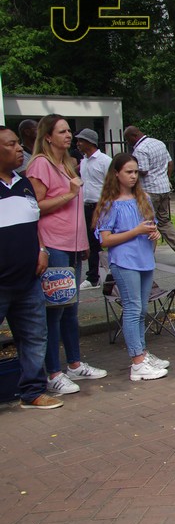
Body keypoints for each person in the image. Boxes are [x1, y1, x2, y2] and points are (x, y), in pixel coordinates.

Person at [26, 114, 107, 396]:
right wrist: (69, 194)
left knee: (71, 308)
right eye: (61, 131)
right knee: (55, 309)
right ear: (48, 136)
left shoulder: (70, 163)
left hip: (72, 243)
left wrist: (83, 241)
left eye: (69, 131)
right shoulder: (40, 164)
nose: (68, 135)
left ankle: (74, 363)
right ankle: (53, 372)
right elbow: (35, 206)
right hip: (53, 243)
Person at [93, 153, 171, 381]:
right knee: (132, 308)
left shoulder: (143, 198)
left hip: (144, 259)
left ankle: (142, 353)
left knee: (141, 309)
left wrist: (154, 234)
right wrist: (135, 231)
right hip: (124, 261)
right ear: (116, 174)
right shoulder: (110, 204)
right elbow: (105, 240)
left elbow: (151, 227)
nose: (133, 176)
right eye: (128, 172)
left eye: (136, 172)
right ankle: (137, 361)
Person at [0, 125, 62, 409]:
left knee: (34, 336)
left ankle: (33, 392)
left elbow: (33, 223)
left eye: (18, 143)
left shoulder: (23, 183)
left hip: (28, 280)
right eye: (11, 144)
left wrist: (41, 249)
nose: (19, 149)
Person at [123, 125, 175, 266]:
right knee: (163, 221)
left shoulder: (140, 149)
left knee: (147, 223)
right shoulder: (158, 143)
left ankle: (147, 256)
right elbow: (170, 164)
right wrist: (165, 179)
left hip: (149, 191)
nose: (128, 143)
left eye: (127, 140)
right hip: (163, 188)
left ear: (133, 136)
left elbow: (143, 170)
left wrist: (130, 171)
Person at [77, 128, 112, 289]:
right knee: (92, 241)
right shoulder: (83, 161)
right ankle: (93, 277)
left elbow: (111, 184)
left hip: (102, 205)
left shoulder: (105, 161)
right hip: (87, 206)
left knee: (108, 239)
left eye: (81, 141)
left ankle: (112, 273)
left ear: (90, 142)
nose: (78, 144)